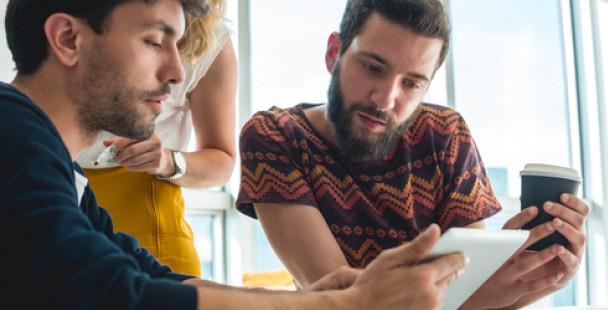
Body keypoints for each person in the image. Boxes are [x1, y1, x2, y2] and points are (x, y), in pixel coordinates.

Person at [0, 0, 469, 309]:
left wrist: (324, 297)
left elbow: (148, 275)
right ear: (67, 39)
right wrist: (343, 305)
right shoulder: (12, 134)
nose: (177, 70)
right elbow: (112, 295)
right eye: (154, 41)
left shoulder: (60, 171)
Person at [235, 0, 590, 309]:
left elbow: (467, 283)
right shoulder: (275, 137)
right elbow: (347, 301)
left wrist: (545, 274)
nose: (385, 100)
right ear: (334, 54)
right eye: (372, 67)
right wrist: (484, 295)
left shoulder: (446, 135)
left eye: (411, 83)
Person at [75, 0, 237, 277]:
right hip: (60, 222)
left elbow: (222, 161)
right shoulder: (77, 18)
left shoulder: (210, 42)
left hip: (153, 240)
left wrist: (167, 161)